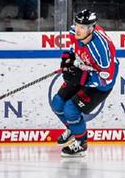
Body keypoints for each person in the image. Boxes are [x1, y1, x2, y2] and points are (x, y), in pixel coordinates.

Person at [51, 9, 119, 157]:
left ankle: (81, 143)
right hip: (85, 69)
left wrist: (83, 79)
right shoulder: (74, 32)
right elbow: (72, 47)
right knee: (57, 103)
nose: (77, 30)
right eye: (77, 25)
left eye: (82, 27)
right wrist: (67, 58)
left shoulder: (101, 50)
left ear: (91, 29)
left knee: (70, 109)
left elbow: (107, 78)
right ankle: (73, 129)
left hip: (100, 84)